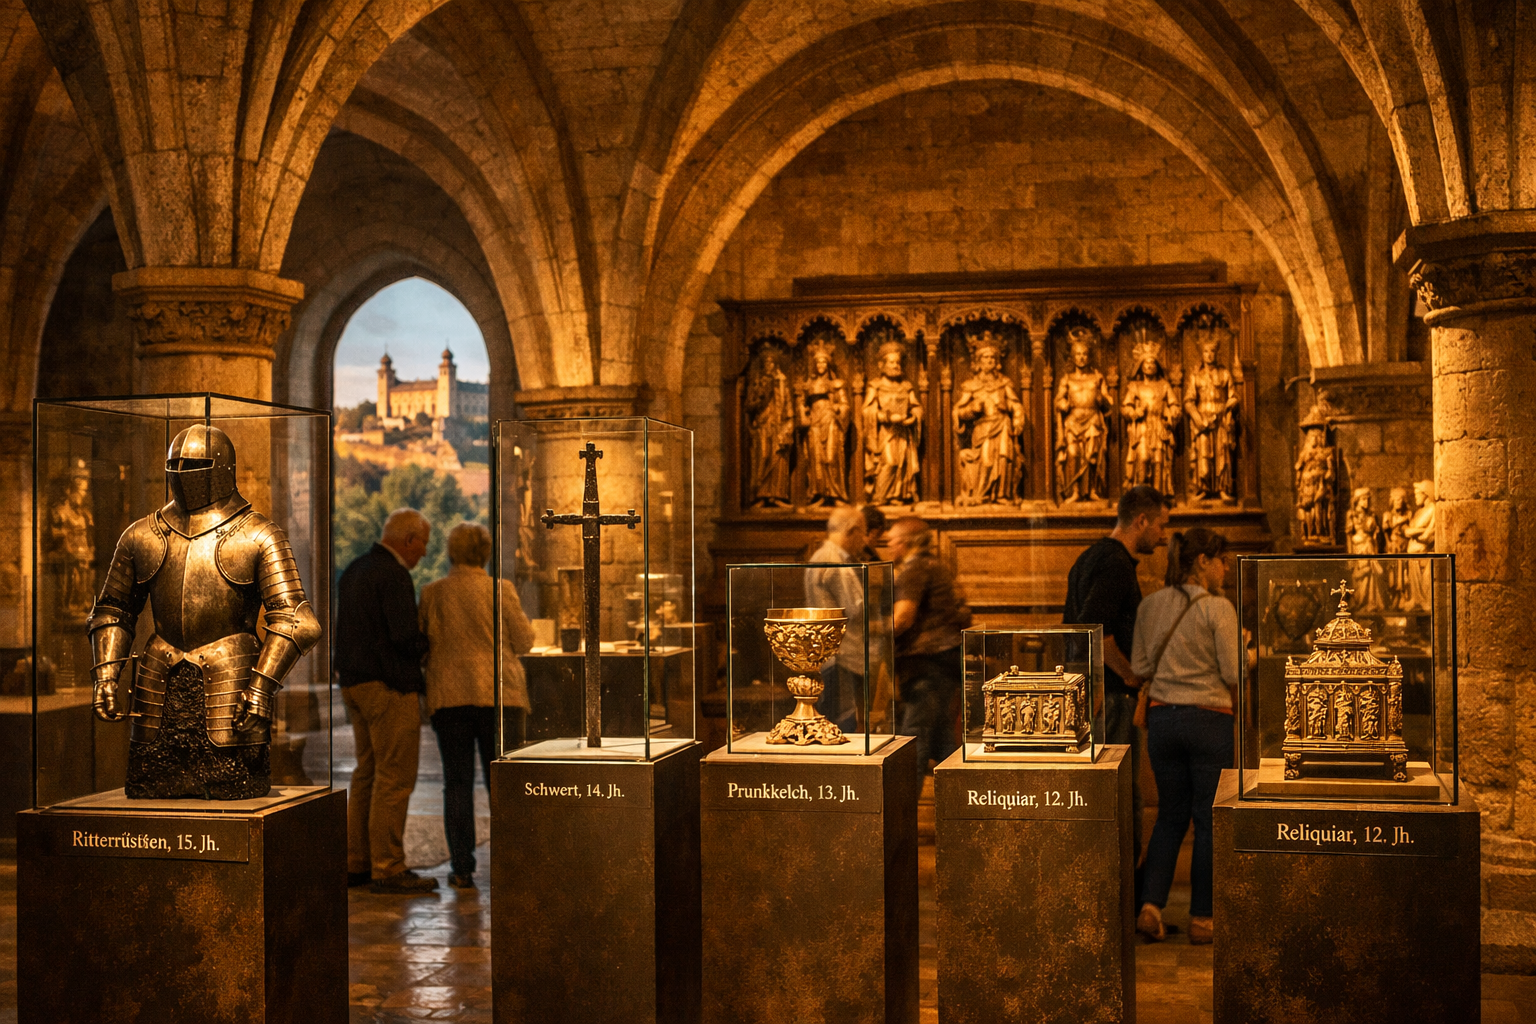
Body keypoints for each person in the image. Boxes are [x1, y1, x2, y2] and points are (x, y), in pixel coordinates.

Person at [1130, 527, 1239, 946]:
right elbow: (1231, 672)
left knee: (1170, 816)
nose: (1226, 568)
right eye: (1222, 560)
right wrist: (1244, 652)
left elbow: (1141, 665)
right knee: (1207, 821)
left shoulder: (1150, 605)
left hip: (1161, 721)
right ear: (1202, 562)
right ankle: (1203, 918)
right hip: (1208, 720)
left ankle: (1151, 908)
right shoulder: (1218, 608)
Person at [419, 522, 535, 890]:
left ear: (451, 551)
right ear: (485, 553)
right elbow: (525, 640)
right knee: (503, 783)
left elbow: (426, 642)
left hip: (450, 695)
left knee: (457, 783)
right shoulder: (500, 590)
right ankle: (512, 861)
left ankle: (462, 867)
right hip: (500, 693)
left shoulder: (433, 593)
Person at [1063, 485, 1172, 869]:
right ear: (1140, 520)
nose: (1163, 536)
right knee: (1119, 795)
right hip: (1108, 696)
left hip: (1095, 694)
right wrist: (1130, 676)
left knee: (1112, 791)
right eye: (1161, 525)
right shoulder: (1114, 564)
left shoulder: (1090, 557)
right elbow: (1096, 629)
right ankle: (1119, 888)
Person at [334, 508, 435, 894]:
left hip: (354, 685)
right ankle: (388, 866)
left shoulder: (356, 569)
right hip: (389, 688)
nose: (424, 553)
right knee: (394, 779)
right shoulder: (394, 574)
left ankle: (356, 862)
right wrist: (427, 642)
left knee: (365, 776)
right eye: (423, 543)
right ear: (408, 539)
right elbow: (403, 637)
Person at [888, 516, 971, 787]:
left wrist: (871, 635)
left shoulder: (915, 569)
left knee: (914, 739)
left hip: (926, 664)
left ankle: (901, 813)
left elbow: (903, 617)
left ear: (904, 543)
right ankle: (960, 805)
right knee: (943, 738)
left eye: (891, 541)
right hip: (945, 659)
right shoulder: (938, 565)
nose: (889, 547)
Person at [808, 506, 869, 732]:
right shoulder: (835, 561)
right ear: (852, 530)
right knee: (843, 722)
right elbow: (856, 608)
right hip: (841, 654)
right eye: (863, 533)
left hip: (830, 652)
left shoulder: (820, 556)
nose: (865, 540)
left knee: (835, 716)